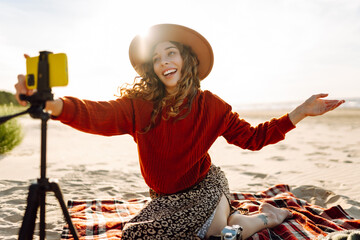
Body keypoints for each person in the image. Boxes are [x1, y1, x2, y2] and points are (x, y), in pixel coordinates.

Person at [15, 24, 345, 239]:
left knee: (218, 235)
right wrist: (52, 104)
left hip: (204, 186)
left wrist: (299, 113)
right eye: (157, 57)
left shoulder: (211, 105)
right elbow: (96, 114)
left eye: (170, 52)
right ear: (152, 67)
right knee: (136, 235)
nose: (164, 61)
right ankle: (242, 216)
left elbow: (253, 138)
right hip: (165, 198)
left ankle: (265, 217)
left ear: (185, 58)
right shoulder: (139, 105)